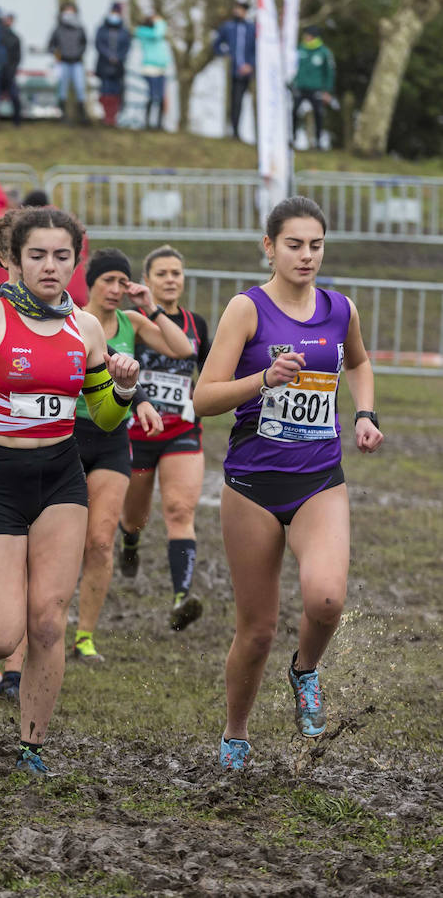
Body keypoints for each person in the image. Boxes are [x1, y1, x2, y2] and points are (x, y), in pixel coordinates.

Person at [0, 207, 141, 775]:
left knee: (47, 622)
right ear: (13, 260)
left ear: (75, 261)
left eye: (61, 256)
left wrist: (123, 389)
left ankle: (32, 746)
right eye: (36, 255)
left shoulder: (85, 328)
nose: (50, 266)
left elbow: (104, 416)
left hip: (60, 479)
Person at [192, 195, 382, 770]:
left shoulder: (338, 308)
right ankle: (236, 733)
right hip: (252, 484)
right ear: (269, 247)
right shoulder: (245, 310)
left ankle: (304, 670)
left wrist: (365, 415)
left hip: (319, 478)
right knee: (256, 630)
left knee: (326, 599)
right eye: (294, 244)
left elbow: (358, 363)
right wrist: (262, 378)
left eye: (316, 245)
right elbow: (203, 399)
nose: (306, 256)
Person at [70, 249, 194, 664]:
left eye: (122, 282)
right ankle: (44, 619)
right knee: (61, 541)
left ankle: (84, 636)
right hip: (65, 434)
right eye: (107, 280)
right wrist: (141, 399)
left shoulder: (132, 321)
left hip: (110, 438)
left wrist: (150, 307)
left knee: (102, 542)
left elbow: (182, 350)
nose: (115, 289)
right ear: (90, 283)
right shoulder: (71, 317)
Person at [118, 245, 210, 631]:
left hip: (182, 431)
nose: (171, 279)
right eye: (162, 273)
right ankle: (130, 541)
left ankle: (181, 597)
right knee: (135, 517)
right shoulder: (133, 322)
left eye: (176, 273)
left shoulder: (196, 324)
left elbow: (208, 373)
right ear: (147, 279)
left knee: (179, 511)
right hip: (137, 433)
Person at [213, 0, 255, 140]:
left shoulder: (252, 28)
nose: (239, 11)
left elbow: (257, 50)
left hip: (249, 71)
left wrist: (251, 65)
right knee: (234, 100)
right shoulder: (228, 27)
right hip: (233, 71)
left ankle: (254, 133)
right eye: (237, 8)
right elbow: (217, 44)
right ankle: (234, 131)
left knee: (246, 101)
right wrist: (225, 54)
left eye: (242, 9)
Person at [292, 27, 335, 151]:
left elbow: (329, 72)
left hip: (316, 89)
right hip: (300, 87)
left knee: (318, 114)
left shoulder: (324, 52)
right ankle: (292, 138)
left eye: (308, 35)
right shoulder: (299, 49)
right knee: (294, 111)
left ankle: (318, 141)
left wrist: (327, 91)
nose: (306, 38)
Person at [48, 3, 88, 125]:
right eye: (67, 11)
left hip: (77, 62)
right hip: (63, 63)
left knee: (80, 88)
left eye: (71, 11)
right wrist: (57, 54)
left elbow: (84, 43)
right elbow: (51, 46)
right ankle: (63, 116)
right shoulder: (58, 29)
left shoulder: (80, 28)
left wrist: (78, 53)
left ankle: (82, 117)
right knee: (62, 90)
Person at [94, 2, 130, 127]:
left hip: (117, 67)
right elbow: (98, 44)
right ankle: (106, 116)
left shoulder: (124, 31)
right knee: (105, 90)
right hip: (104, 66)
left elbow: (126, 47)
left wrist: (118, 57)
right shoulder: (102, 29)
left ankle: (113, 117)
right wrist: (109, 56)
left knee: (116, 91)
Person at [134, 14, 171, 131]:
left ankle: (159, 124)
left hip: (161, 69)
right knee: (153, 96)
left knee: (160, 97)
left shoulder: (155, 33)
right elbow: (158, 34)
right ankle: (147, 123)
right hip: (150, 69)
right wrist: (160, 23)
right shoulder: (144, 32)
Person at [0, 11, 22, 127]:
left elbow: (17, 57)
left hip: (9, 71)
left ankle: (17, 121)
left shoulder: (15, 38)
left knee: (14, 96)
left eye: (10, 20)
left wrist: (12, 69)